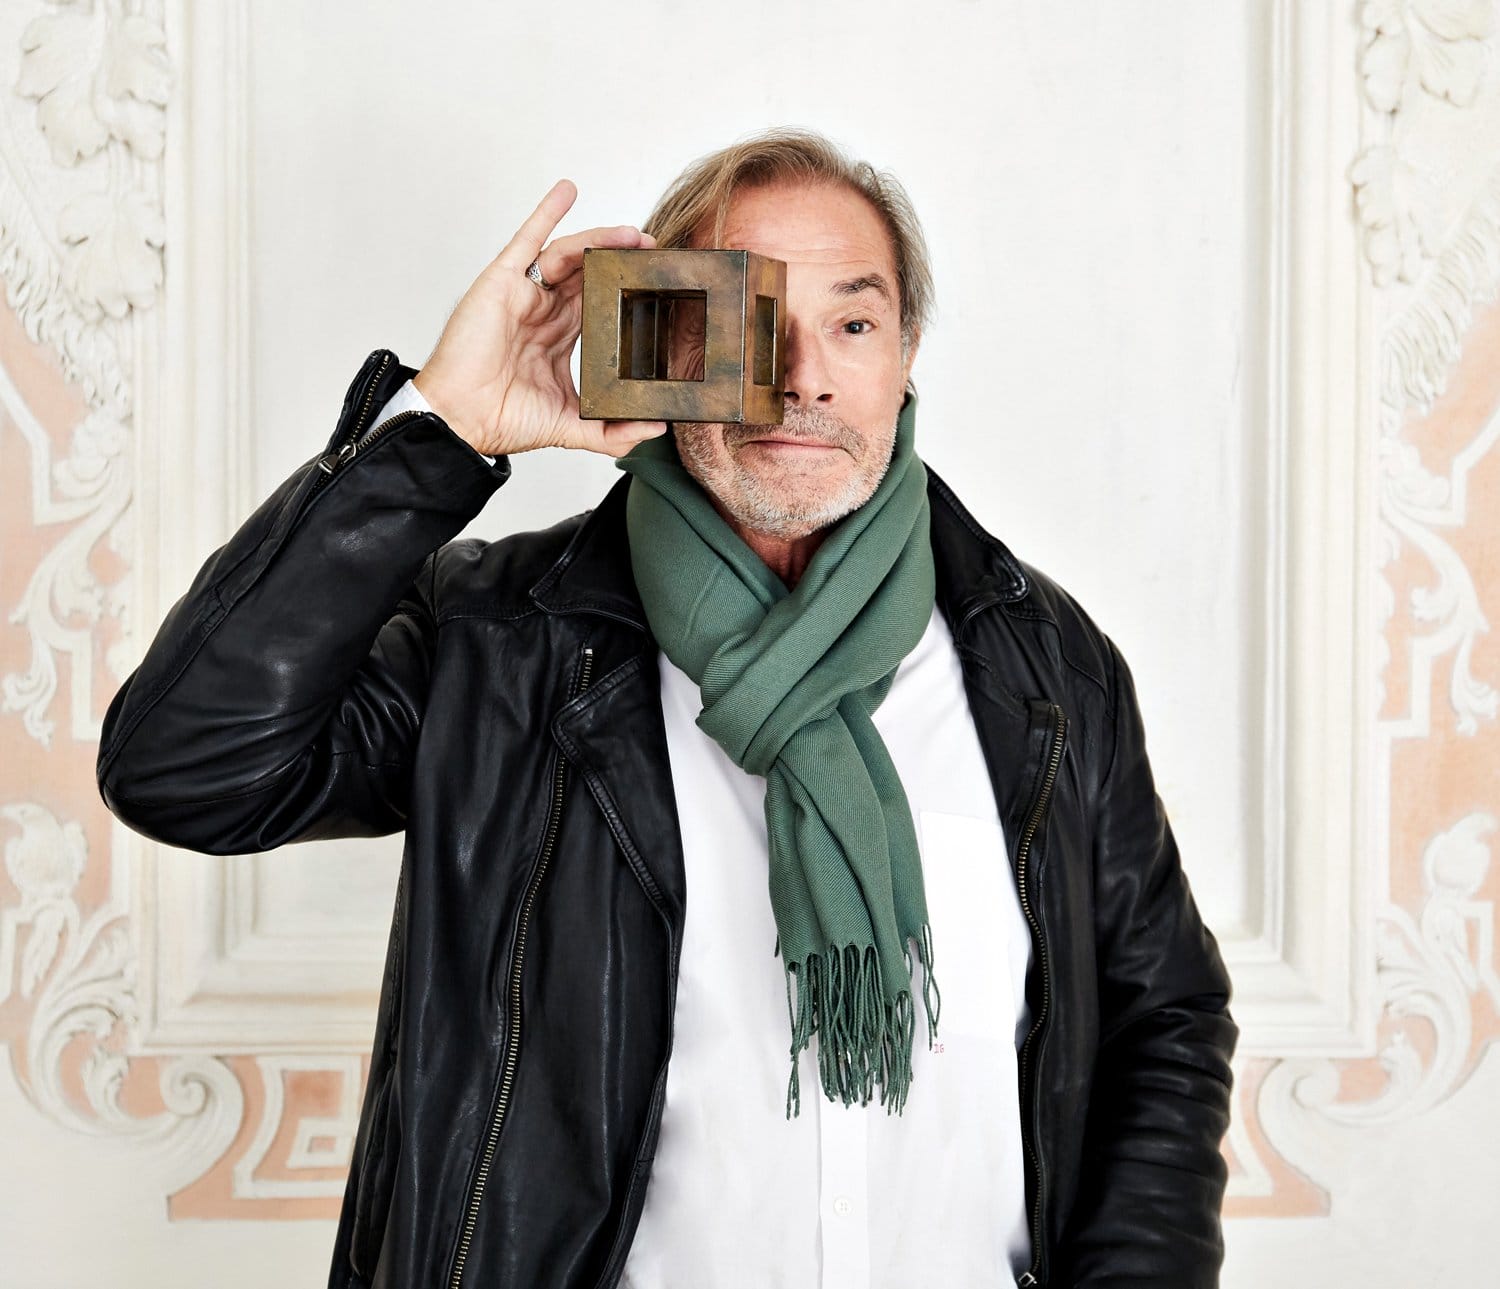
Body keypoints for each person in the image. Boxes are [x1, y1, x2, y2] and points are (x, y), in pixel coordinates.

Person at [96, 128, 1238, 1289]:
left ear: (904, 354)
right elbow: (185, 767)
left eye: (853, 323)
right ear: (659, 338)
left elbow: (1165, 1021)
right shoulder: (501, 642)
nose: (803, 378)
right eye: (747, 320)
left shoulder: (1042, 664)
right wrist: (439, 437)